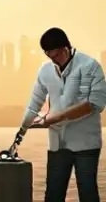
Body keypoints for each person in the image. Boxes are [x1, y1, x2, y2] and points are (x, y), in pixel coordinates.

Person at [20, 27, 106, 202]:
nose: (54, 61)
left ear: (65, 48)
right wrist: (22, 130)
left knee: (88, 193)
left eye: (56, 56)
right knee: (53, 194)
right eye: (49, 57)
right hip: (57, 145)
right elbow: (34, 103)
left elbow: (94, 104)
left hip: (86, 144)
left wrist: (53, 118)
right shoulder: (45, 70)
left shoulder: (90, 66)